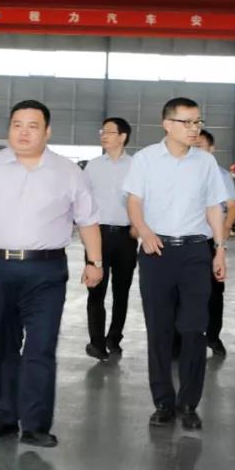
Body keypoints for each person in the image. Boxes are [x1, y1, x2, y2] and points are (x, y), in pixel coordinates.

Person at [0, 100, 103, 448]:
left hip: (45, 270)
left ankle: (35, 425)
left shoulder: (68, 171)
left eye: (33, 126)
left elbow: (88, 220)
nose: (24, 132)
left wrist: (95, 262)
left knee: (40, 347)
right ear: (9, 129)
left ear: (47, 131)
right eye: (17, 125)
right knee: (3, 345)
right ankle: (4, 417)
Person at [124, 97, 228, 431]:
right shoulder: (145, 159)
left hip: (196, 252)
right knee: (160, 329)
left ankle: (189, 403)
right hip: (157, 252)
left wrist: (220, 249)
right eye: (188, 122)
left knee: (194, 329)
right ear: (167, 124)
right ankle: (163, 402)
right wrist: (144, 231)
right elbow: (134, 201)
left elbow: (214, 207)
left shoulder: (206, 162)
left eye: (198, 122)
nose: (195, 128)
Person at [82, 117, 138, 361]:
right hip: (98, 235)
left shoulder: (136, 166)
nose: (103, 136)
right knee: (96, 290)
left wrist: (139, 226)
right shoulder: (93, 166)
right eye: (102, 131)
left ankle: (114, 338)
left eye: (109, 132)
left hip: (127, 236)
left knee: (121, 292)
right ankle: (96, 343)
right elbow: (83, 201)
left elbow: (144, 199)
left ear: (122, 137)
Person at [196, 129, 235, 357]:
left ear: (211, 149)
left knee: (214, 291)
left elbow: (231, 206)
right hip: (190, 239)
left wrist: (225, 229)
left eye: (201, 146)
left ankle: (213, 336)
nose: (196, 149)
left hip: (212, 240)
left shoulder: (221, 175)